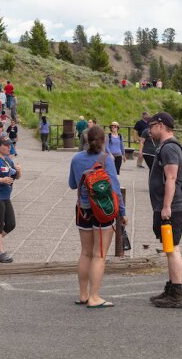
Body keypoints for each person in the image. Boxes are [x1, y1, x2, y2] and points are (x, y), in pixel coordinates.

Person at [69, 125, 127, 307]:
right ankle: (95, 297)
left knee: (85, 253)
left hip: (83, 210)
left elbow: (72, 184)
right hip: (103, 211)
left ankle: (83, 294)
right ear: (104, 141)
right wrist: (122, 213)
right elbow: (115, 189)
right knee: (99, 254)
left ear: (86, 140)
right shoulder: (106, 159)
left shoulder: (76, 159)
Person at [147, 111, 182, 308]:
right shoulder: (166, 147)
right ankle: (171, 288)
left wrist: (166, 206)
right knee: (169, 248)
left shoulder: (170, 148)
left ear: (161, 126)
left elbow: (171, 178)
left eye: (151, 126)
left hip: (173, 207)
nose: (149, 130)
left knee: (173, 249)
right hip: (171, 206)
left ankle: (177, 293)